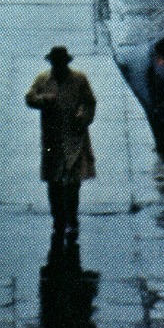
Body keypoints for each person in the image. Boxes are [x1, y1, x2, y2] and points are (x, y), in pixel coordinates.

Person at [25, 47, 96, 249]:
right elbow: (29, 98)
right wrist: (43, 100)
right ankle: (58, 219)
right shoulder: (44, 79)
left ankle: (72, 218)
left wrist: (83, 116)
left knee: (73, 182)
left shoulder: (79, 80)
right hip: (52, 139)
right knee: (54, 182)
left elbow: (90, 102)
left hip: (74, 137)